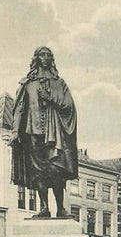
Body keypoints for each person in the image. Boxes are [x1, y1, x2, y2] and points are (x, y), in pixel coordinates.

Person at [9, 47, 78, 218]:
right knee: (38, 170)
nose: (46, 58)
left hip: (54, 133)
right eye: (42, 55)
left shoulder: (59, 83)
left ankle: (60, 208)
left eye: (49, 55)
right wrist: (15, 131)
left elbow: (69, 106)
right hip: (32, 131)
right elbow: (19, 109)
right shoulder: (27, 83)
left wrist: (51, 99)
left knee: (56, 169)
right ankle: (44, 208)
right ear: (36, 58)